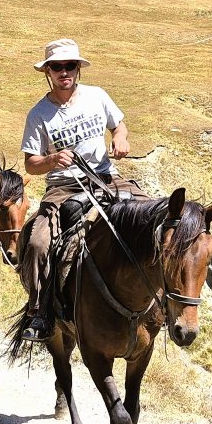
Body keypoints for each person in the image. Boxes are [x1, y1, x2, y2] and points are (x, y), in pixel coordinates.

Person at [18, 38, 149, 341]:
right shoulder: (38, 114)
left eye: (70, 65)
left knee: (153, 215)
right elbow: (30, 165)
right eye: (57, 66)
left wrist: (120, 139)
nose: (64, 71)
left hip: (105, 177)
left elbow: (119, 125)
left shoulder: (97, 96)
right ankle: (39, 313)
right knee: (38, 243)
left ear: (78, 69)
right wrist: (50, 159)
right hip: (63, 187)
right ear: (47, 71)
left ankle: (161, 299)